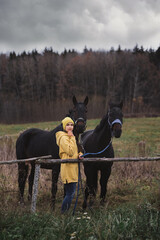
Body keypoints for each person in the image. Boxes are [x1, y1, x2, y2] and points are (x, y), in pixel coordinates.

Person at [56, 117, 83, 213]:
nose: (70, 127)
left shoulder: (70, 137)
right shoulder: (63, 138)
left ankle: (65, 212)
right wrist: (71, 137)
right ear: (64, 126)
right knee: (70, 193)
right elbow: (70, 151)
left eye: (71, 125)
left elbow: (75, 151)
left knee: (70, 193)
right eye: (67, 125)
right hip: (68, 169)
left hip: (73, 168)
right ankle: (63, 213)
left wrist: (80, 155)